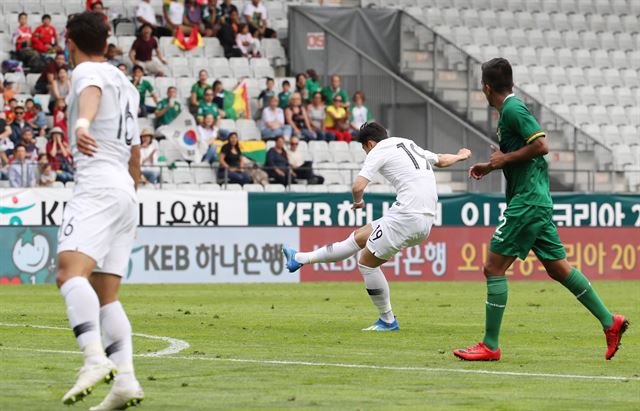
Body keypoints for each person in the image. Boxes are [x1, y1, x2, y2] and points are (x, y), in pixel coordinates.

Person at [453, 58, 628, 361]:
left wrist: (504, 160)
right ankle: (609, 322)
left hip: (528, 202)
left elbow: (542, 146)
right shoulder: (509, 111)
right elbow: (525, 155)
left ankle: (490, 345)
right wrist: (492, 165)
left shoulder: (512, 109)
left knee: (493, 267)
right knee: (557, 268)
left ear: (486, 86)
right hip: (536, 199)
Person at [283, 122, 471, 329]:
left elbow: (358, 186)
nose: (366, 153)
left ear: (370, 143)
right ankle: (300, 258)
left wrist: (358, 201)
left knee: (366, 263)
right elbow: (442, 160)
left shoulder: (378, 150)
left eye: (364, 148)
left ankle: (387, 320)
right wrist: (461, 155)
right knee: (359, 237)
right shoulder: (407, 144)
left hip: (407, 215)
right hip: (425, 218)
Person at [56, 11, 144, 409]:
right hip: (125, 190)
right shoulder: (126, 82)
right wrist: (134, 190)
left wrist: (82, 124)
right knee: (106, 294)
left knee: (68, 273)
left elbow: (89, 89)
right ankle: (124, 379)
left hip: (97, 184)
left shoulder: (85, 72)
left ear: (69, 40)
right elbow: (136, 148)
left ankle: (93, 357)